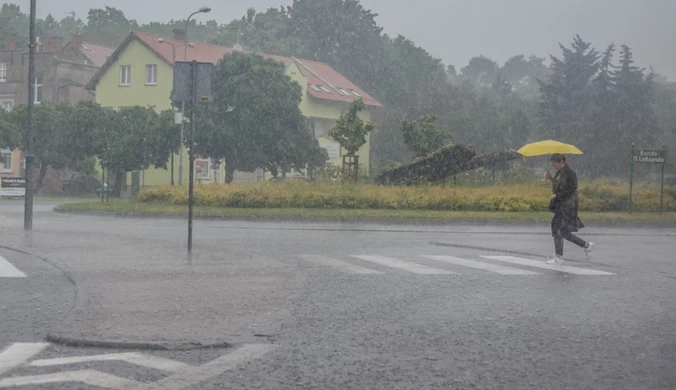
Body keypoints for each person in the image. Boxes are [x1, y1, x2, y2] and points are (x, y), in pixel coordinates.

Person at [544, 154, 594, 264]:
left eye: (555, 164)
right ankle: (586, 245)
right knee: (563, 232)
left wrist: (557, 196)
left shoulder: (570, 173)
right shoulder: (559, 173)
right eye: (553, 165)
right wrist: (551, 179)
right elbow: (557, 187)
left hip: (568, 206)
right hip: (561, 206)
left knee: (558, 230)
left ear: (562, 161)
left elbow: (571, 189)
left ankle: (559, 257)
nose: (554, 167)